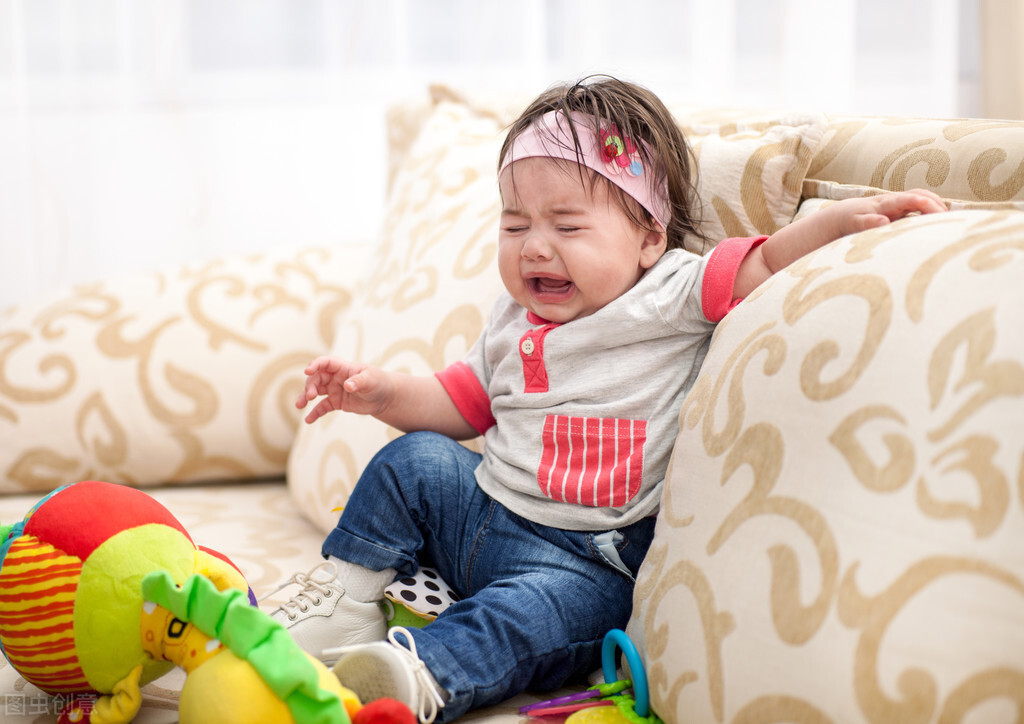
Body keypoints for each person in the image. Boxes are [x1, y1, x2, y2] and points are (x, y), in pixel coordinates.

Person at [269, 76, 947, 723]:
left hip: (579, 563)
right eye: (514, 225)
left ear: (651, 237)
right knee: (414, 459)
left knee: (531, 617)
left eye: (567, 226)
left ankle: (418, 675)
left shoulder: (670, 294)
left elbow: (763, 264)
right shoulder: (513, 318)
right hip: (481, 515)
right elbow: (460, 401)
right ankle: (348, 598)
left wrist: (836, 225)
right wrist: (381, 392)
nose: (535, 247)